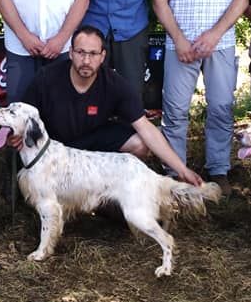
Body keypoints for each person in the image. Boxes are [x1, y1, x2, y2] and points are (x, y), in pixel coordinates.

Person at [149, 0, 250, 192]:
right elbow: (159, 1)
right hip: (179, 47)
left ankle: (218, 170)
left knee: (221, 107)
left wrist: (214, 34)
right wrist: (179, 39)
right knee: (175, 111)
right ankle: (174, 171)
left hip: (219, 44)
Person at [17, 25, 203, 186]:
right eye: (81, 52)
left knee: (139, 143)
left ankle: (111, 189)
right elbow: (20, 115)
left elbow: (145, 127)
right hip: (57, 147)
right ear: (71, 53)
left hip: (94, 144)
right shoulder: (47, 78)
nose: (86, 61)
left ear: (102, 56)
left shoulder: (114, 84)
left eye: (93, 54)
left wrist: (181, 169)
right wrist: (14, 134)